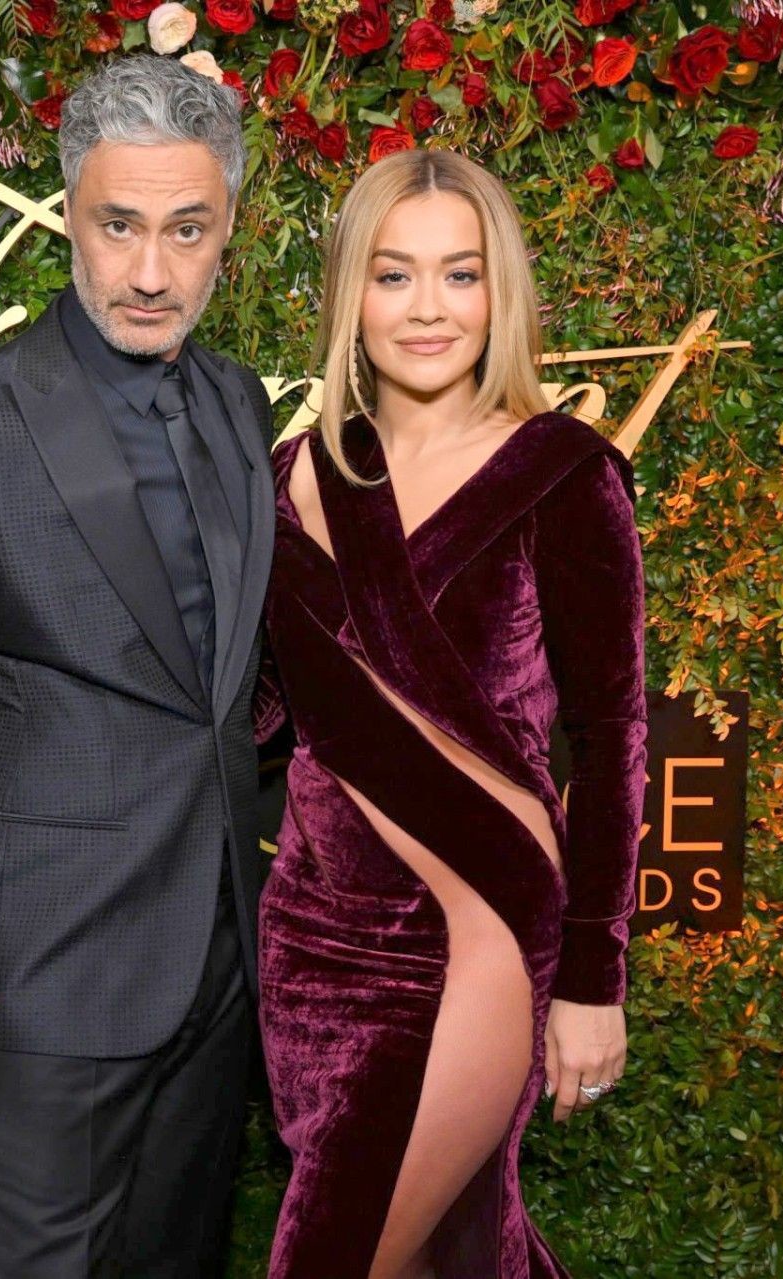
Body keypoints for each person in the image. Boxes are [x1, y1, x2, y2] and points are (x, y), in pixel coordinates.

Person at [0, 55, 276, 1278]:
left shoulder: (240, 405)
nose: (150, 271)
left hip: (221, 967)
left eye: (187, 230)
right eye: (118, 225)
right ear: (68, 214)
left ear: (229, 230)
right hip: (48, 972)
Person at [254, 147, 648, 1278]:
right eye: (394, 275)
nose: (427, 307)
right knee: (453, 1255)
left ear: (499, 291)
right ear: (351, 293)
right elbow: (264, 714)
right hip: (310, 942)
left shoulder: (560, 473)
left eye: (460, 274)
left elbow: (613, 736)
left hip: (482, 934)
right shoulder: (288, 476)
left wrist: (593, 977)